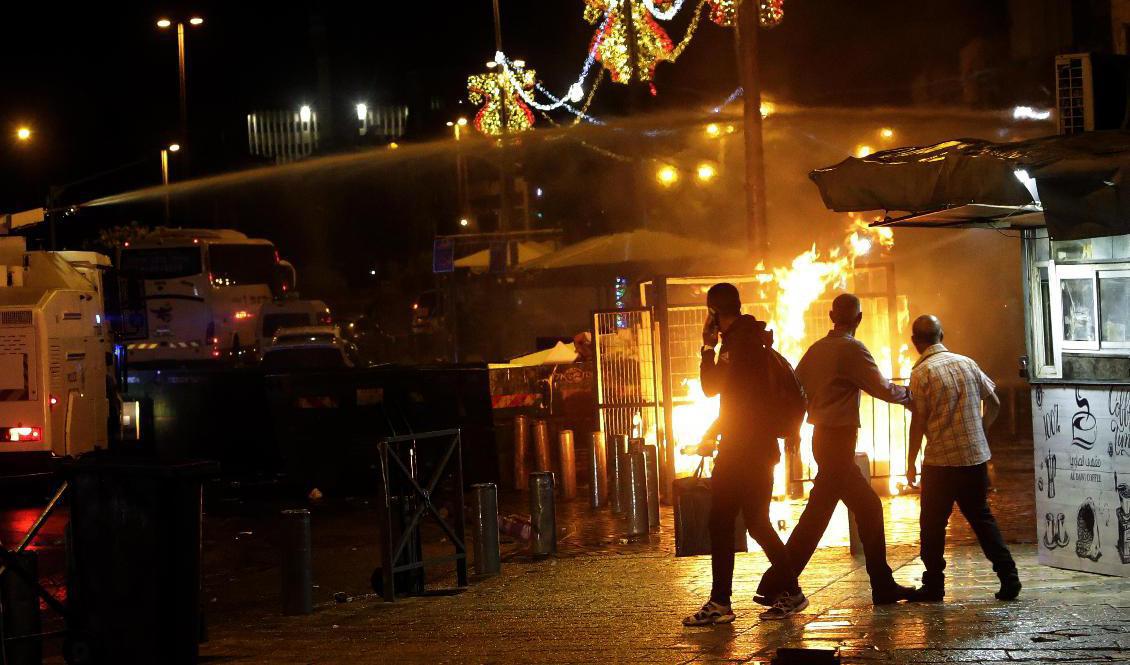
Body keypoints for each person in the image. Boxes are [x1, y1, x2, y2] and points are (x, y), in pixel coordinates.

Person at [756, 293, 915, 605]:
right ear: (859, 318)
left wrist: (794, 428)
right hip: (839, 441)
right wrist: (911, 396)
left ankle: (777, 582)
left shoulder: (816, 350)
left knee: (831, 514)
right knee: (854, 510)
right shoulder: (853, 349)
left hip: (822, 439)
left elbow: (796, 389)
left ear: (831, 316)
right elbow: (881, 387)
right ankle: (779, 583)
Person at [683, 283, 806, 625]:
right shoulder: (754, 339)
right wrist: (712, 432)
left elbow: (712, 388)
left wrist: (707, 348)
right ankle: (791, 592)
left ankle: (721, 602)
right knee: (756, 522)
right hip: (759, 447)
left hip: (742, 451)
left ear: (713, 312)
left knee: (722, 521)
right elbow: (740, 402)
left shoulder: (736, 345)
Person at [906, 314, 1020, 602]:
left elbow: (918, 421)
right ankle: (1009, 577)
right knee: (982, 518)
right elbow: (994, 402)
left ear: (915, 342)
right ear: (941, 335)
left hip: (940, 464)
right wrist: (981, 430)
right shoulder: (967, 363)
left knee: (932, 525)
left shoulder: (921, 373)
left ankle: (934, 585)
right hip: (974, 459)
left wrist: (910, 462)